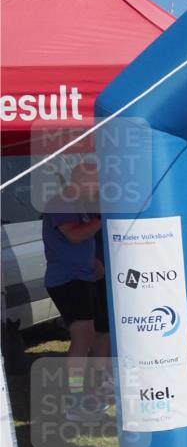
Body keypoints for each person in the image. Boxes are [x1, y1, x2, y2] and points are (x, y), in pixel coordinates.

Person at [42, 162, 105, 420]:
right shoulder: (62, 202)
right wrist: (103, 219)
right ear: (80, 179)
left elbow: (80, 241)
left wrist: (94, 262)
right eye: (96, 180)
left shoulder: (78, 203)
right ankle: (74, 401)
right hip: (67, 281)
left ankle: (85, 394)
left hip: (82, 277)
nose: (99, 186)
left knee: (89, 336)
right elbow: (74, 236)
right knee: (82, 338)